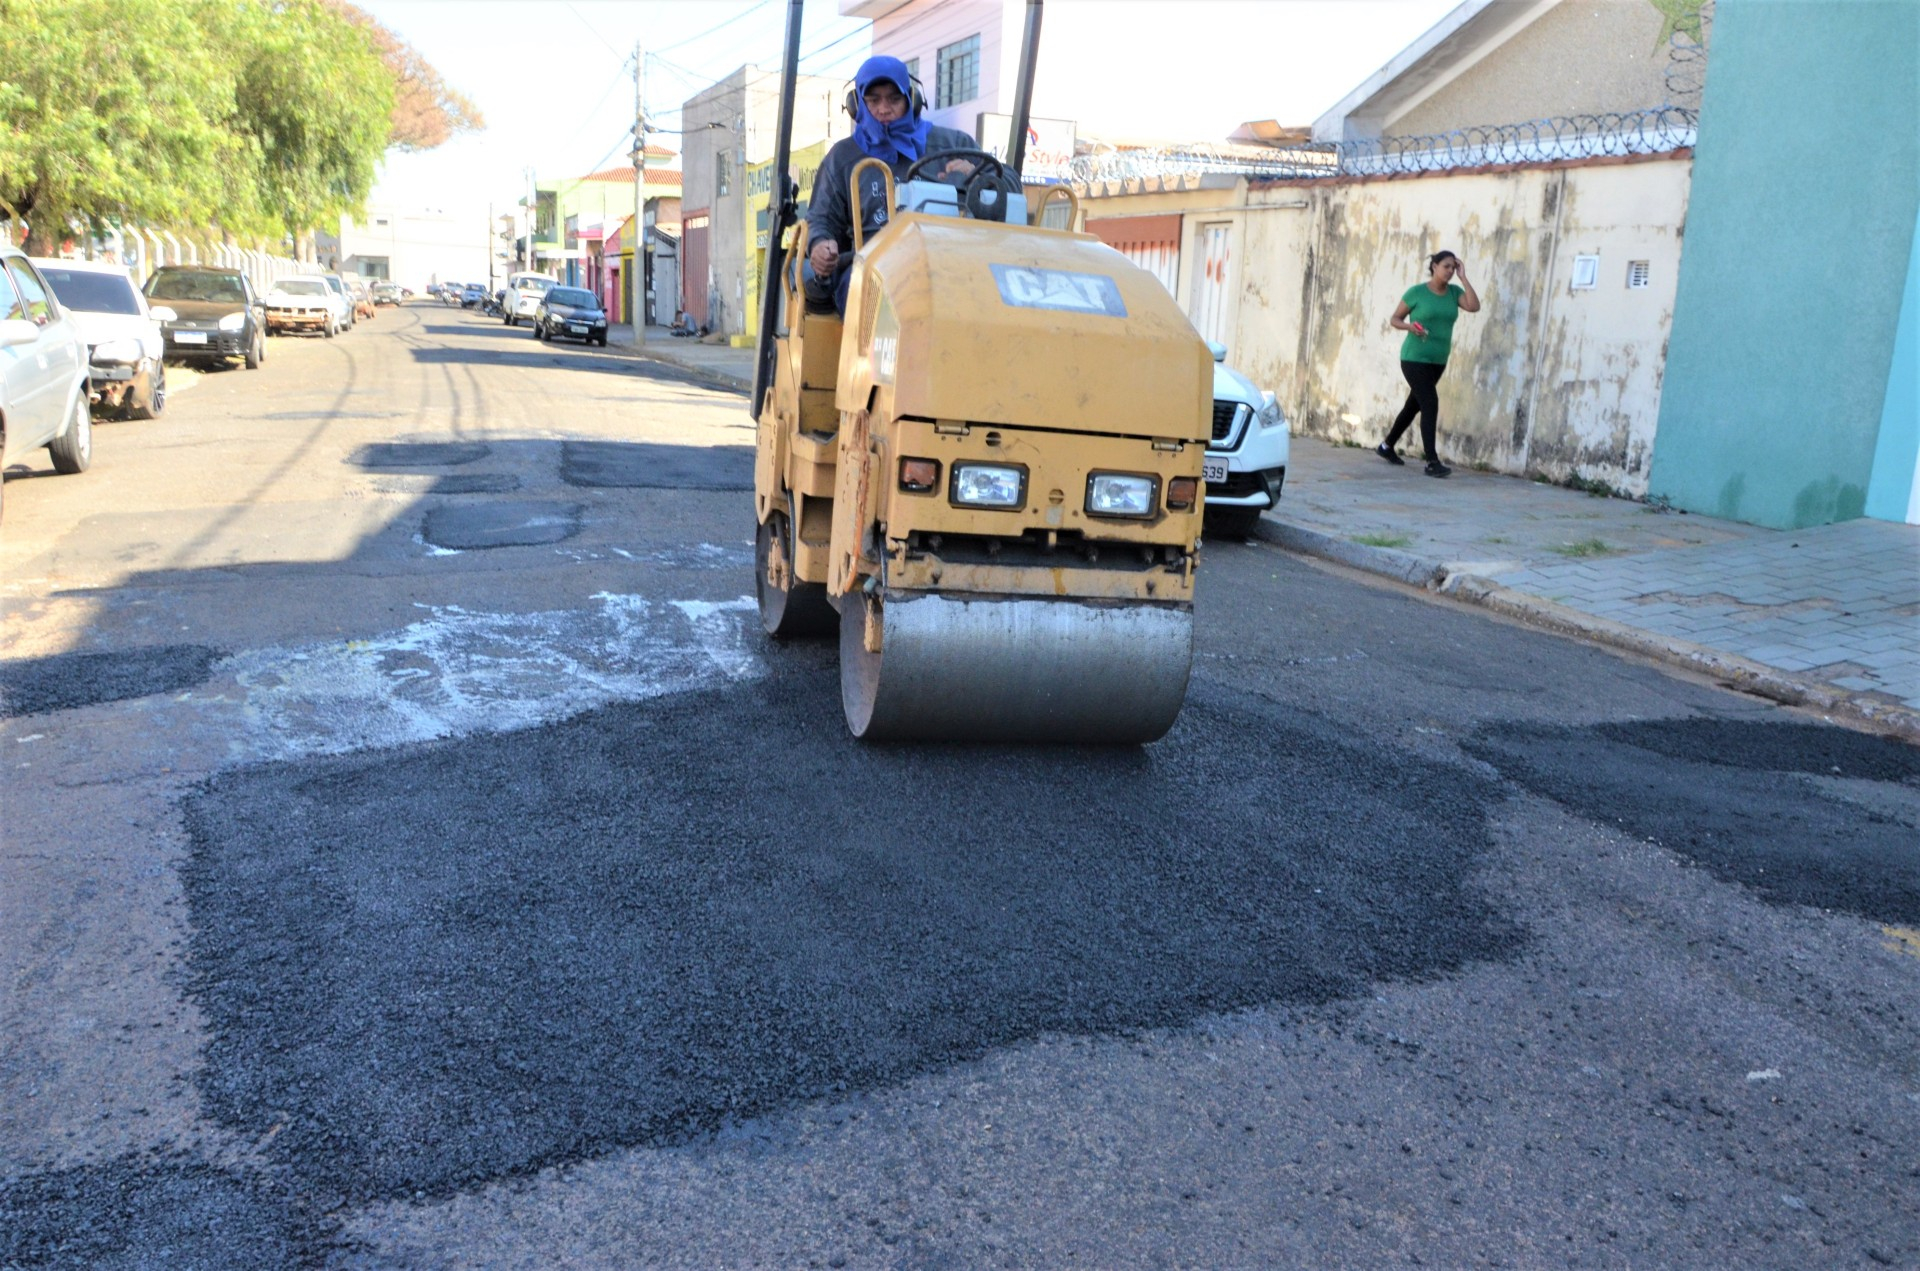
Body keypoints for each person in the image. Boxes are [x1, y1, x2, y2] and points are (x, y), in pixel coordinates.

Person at [804, 55, 978, 316]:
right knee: (881, 300)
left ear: (912, 100)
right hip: (870, 267)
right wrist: (819, 245)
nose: (884, 109)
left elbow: (1006, 184)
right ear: (857, 104)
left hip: (947, 261)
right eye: (874, 100)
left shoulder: (952, 144)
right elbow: (821, 218)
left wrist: (976, 175)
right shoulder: (842, 158)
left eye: (894, 99)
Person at [1377, 250, 1481, 477]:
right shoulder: (1417, 293)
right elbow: (1395, 319)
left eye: (1454, 267)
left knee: (1413, 405)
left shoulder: (1455, 293)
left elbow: (1474, 307)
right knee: (1430, 402)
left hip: (1438, 360)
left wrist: (1464, 278)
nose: (1450, 271)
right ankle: (1432, 462)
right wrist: (1409, 327)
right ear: (1434, 266)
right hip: (1414, 358)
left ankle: (1386, 446)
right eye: (1446, 266)